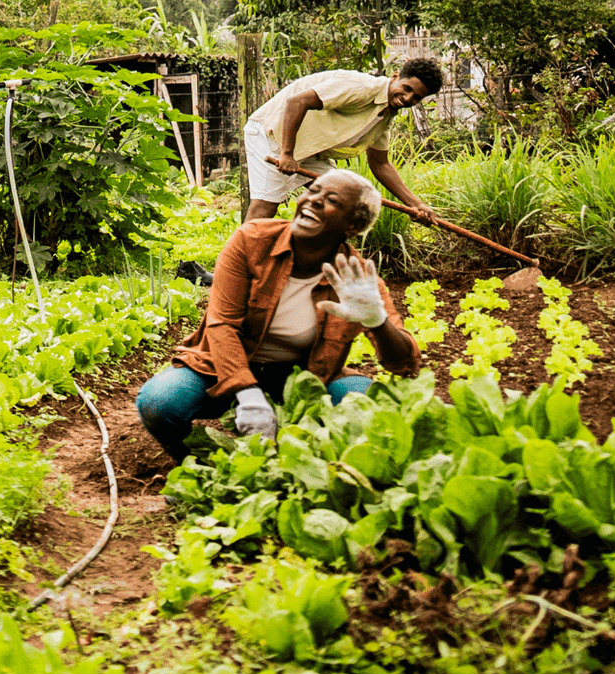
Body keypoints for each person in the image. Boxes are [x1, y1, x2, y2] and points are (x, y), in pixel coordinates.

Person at [137, 167, 423, 467]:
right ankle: (201, 469)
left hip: (303, 379)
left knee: (366, 405)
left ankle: (312, 462)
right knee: (160, 401)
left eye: (332, 200)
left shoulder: (357, 280)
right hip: (221, 366)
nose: (312, 200)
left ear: (352, 225)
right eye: (313, 191)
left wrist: (376, 319)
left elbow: (405, 365)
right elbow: (221, 323)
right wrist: (248, 394)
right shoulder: (251, 241)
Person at [243, 57, 445, 223]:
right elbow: (297, 101)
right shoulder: (361, 87)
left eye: (417, 97)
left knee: (343, 198)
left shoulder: (385, 115)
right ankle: (237, 270)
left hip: (308, 149)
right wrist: (287, 153)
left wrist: (415, 205)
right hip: (272, 133)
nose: (408, 99)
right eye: (407, 88)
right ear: (395, 77)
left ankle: (307, 258)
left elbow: (380, 163)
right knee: (264, 210)